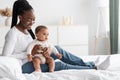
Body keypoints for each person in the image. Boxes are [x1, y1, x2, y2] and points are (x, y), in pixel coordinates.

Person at [2, 0, 110, 73]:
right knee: (58, 65)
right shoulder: (12, 34)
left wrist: (43, 51)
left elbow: (35, 46)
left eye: (33, 19)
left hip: (36, 58)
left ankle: (88, 64)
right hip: (23, 66)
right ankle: (94, 68)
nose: (32, 22)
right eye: (29, 19)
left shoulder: (27, 31)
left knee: (57, 49)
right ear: (20, 17)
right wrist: (29, 54)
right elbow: (5, 58)